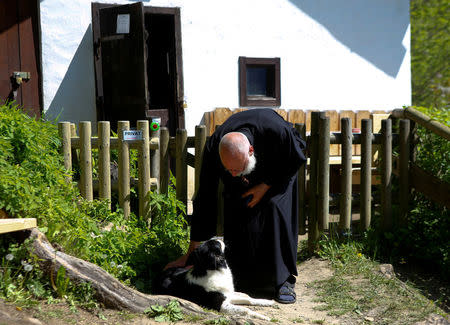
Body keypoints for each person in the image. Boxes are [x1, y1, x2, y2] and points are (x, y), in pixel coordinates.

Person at [165, 108, 307, 304]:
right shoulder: (214, 147)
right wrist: (192, 253)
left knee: (274, 207)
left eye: (236, 169)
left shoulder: (276, 131)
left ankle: (283, 281)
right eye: (228, 169)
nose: (232, 174)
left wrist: (265, 185)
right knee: (236, 206)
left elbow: (296, 156)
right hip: (247, 168)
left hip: (277, 169)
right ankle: (243, 276)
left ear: (250, 151)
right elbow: (205, 196)